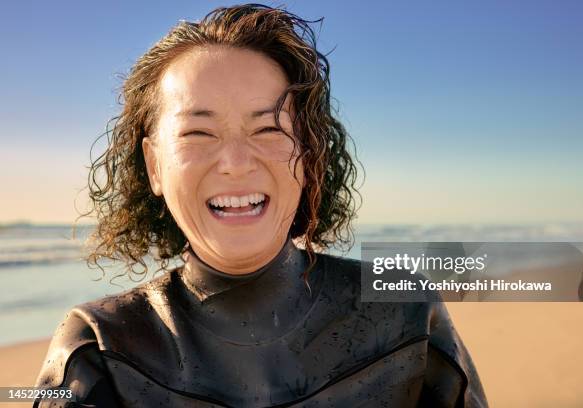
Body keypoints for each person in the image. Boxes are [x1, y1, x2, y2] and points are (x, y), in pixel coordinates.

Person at [34, 4, 488, 407]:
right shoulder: (98, 347)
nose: (235, 163)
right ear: (154, 165)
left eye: (270, 130)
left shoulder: (406, 312)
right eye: (198, 133)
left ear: (308, 156)